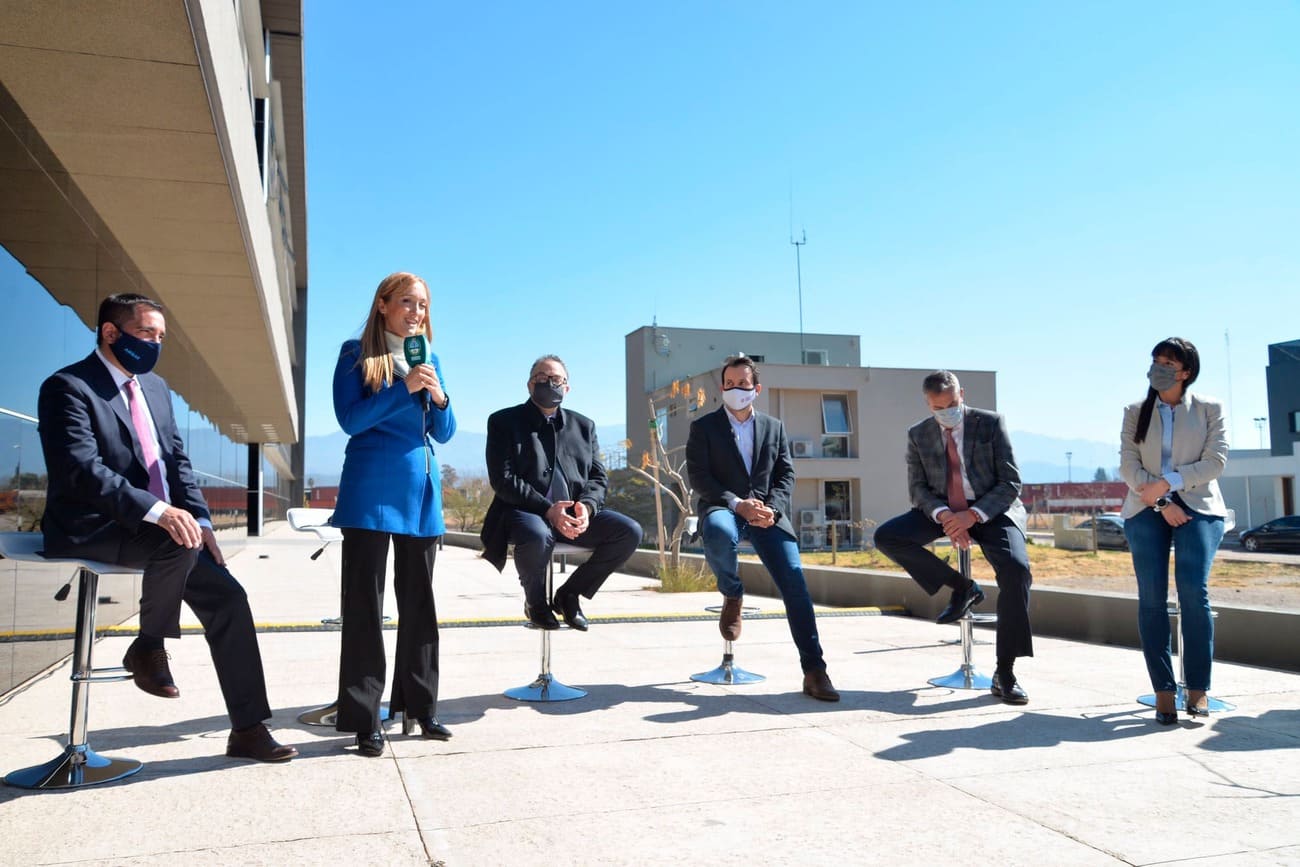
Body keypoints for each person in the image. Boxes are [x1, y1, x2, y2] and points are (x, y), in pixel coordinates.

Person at [38, 293, 297, 763]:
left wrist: (200, 519)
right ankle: (149, 647)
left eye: (161, 337)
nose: (156, 344)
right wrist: (159, 511)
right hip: (93, 522)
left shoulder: (155, 388)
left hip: (161, 531)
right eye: (146, 334)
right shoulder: (68, 387)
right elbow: (81, 469)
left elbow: (176, 460)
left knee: (229, 598)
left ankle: (248, 729)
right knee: (172, 539)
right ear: (110, 333)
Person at [331, 272, 457, 757]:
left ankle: (421, 708)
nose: (416, 312)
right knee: (365, 606)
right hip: (370, 491)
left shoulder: (431, 357)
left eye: (423, 304)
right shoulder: (354, 353)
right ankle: (364, 718)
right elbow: (350, 420)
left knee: (420, 604)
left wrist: (440, 398)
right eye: (407, 302)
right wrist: (402, 388)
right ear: (383, 305)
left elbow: (444, 432)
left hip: (421, 490)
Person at [873, 370, 1034, 704]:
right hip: (943, 511)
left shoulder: (990, 423)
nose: (947, 412)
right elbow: (917, 488)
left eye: (952, 404)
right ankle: (963, 587)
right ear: (928, 404)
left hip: (992, 509)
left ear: (963, 394)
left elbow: (1010, 482)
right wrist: (946, 516)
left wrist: (971, 516)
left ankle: (1005, 672)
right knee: (888, 536)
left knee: (1017, 570)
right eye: (938, 407)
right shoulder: (918, 434)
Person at [685, 355, 839, 702]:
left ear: (757, 389)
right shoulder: (704, 427)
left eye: (743, 383)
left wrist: (772, 508)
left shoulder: (774, 426)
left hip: (768, 515)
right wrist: (738, 504)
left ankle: (815, 671)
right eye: (729, 384)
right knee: (720, 534)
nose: (735, 389)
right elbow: (700, 478)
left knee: (795, 582)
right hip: (725, 508)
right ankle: (733, 592)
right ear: (721, 387)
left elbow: (786, 474)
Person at [481, 355, 641, 630]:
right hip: (526, 513)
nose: (549, 383)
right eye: (542, 378)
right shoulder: (503, 421)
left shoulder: (583, 425)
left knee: (629, 531)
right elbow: (503, 479)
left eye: (557, 379)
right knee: (537, 534)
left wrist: (587, 507)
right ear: (530, 385)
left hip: (573, 515)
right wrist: (547, 510)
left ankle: (569, 594)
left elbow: (598, 476)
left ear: (567, 388)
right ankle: (536, 603)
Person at [1120, 337, 1227, 724]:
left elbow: (1215, 462)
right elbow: (1128, 465)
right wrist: (1161, 502)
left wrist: (1169, 484)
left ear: (1186, 372)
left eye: (1168, 362)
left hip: (1198, 505)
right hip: (1146, 506)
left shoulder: (1209, 409)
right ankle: (1164, 691)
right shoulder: (1135, 411)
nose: (1158, 367)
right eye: (1155, 360)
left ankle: (1198, 689)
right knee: (1151, 595)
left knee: (1192, 591)